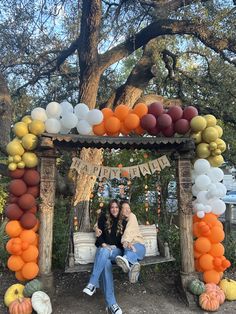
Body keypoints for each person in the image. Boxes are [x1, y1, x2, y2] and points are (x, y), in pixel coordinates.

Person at [83, 199, 126, 314]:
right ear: (109, 208)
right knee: (105, 259)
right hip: (104, 251)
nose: (114, 209)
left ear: (119, 208)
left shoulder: (124, 221)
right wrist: (104, 244)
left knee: (104, 252)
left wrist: (112, 247)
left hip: (117, 252)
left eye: (116, 207)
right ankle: (112, 304)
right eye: (112, 207)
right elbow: (99, 235)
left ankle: (92, 283)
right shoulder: (103, 218)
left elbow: (124, 241)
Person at [115, 200, 146, 284]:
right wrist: (96, 228)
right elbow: (102, 222)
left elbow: (129, 231)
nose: (127, 210)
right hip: (128, 248)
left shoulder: (132, 216)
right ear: (120, 210)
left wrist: (126, 241)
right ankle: (132, 270)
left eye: (128, 208)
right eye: (124, 208)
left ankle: (126, 260)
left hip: (138, 246)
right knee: (128, 250)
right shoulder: (118, 220)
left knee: (129, 250)